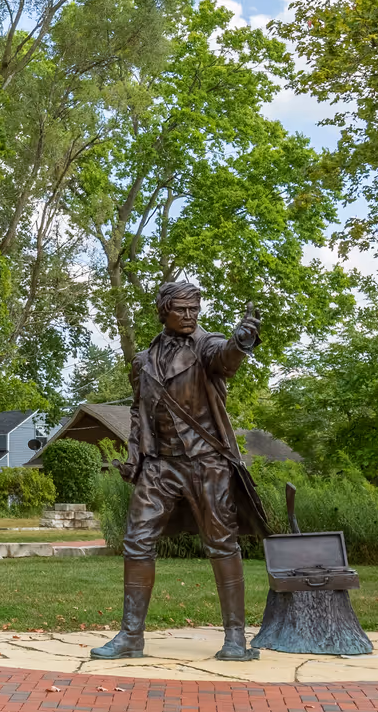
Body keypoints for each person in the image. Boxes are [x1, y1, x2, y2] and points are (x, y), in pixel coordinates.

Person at [91, 280, 268, 662]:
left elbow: (226, 358)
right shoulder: (143, 359)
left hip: (206, 462)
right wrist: (135, 456)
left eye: (195, 309)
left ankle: (236, 638)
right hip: (159, 465)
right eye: (182, 309)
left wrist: (241, 342)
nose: (190, 316)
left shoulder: (207, 346)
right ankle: (130, 636)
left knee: (222, 543)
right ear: (164, 311)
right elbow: (139, 413)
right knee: (137, 541)